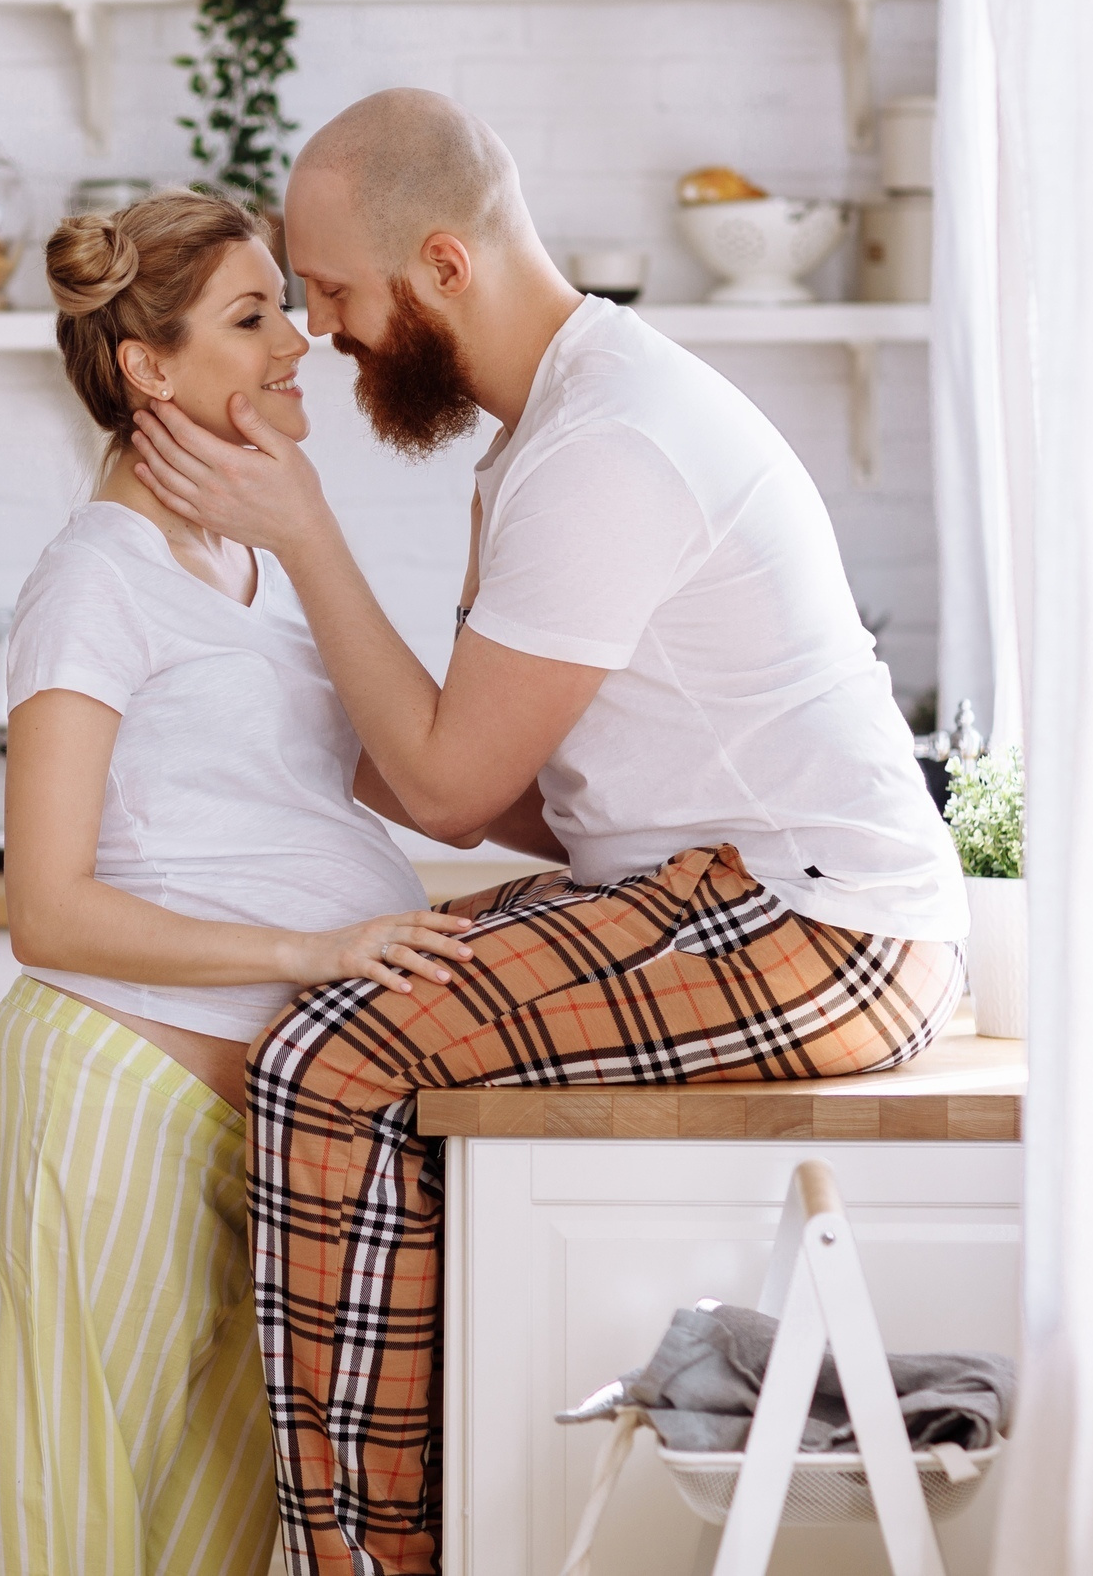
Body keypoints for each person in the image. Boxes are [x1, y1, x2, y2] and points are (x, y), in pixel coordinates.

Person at [127, 90, 970, 1575]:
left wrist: (303, 533)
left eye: (332, 294)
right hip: (751, 903)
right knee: (375, 987)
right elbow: (520, 791)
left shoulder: (606, 447)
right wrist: (254, 672)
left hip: (816, 926)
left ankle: (367, 1564)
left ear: (443, 264)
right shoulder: (553, 429)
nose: (321, 334)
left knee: (330, 1060)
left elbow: (452, 792)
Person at [0, 188, 480, 1576]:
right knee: (64, 1522)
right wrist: (319, 948)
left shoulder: (248, 567)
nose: (298, 343)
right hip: (106, 1095)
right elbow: (46, 910)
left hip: (254, 1125)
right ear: (150, 366)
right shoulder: (95, 577)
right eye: (253, 319)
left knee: (219, 1536)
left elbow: (416, 775)